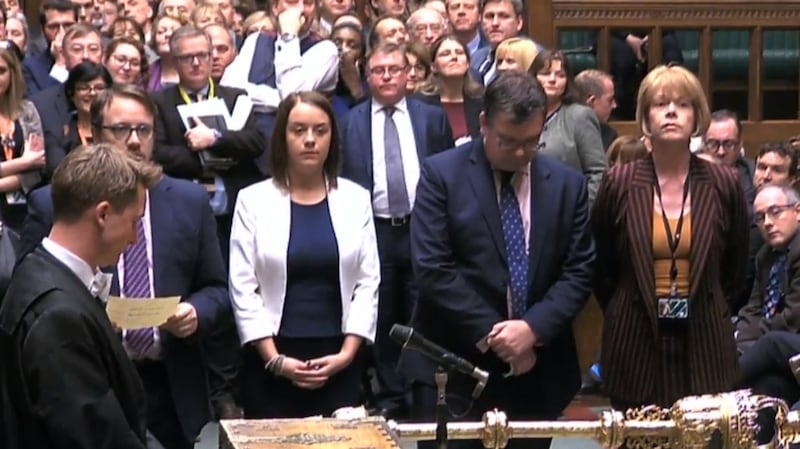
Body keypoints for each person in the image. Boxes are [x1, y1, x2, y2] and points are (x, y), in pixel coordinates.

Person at [21, 84, 229, 448]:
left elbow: (217, 288)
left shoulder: (190, 200)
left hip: (170, 385)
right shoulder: (56, 203)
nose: (134, 141)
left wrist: (196, 312)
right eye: (121, 129)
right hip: (89, 375)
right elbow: (32, 292)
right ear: (95, 133)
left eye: (143, 130)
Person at [407, 71, 595, 449]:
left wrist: (531, 330)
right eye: (508, 141)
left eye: (531, 142)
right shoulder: (441, 175)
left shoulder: (566, 185)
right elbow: (433, 268)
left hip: (536, 372)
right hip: (456, 368)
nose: (521, 153)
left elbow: (578, 270)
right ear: (484, 123)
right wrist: (499, 335)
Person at [592, 64, 749, 411]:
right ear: (646, 117)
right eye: (661, 104)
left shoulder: (724, 183)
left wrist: (707, 301)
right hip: (634, 340)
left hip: (705, 341)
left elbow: (736, 272)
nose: (672, 112)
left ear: (697, 117)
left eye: (683, 104)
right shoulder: (619, 182)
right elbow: (602, 268)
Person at [0, 143, 161, 449]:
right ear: (103, 214)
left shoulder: (36, 272)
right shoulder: (58, 317)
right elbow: (99, 440)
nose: (133, 238)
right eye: (133, 221)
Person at [229, 91, 380, 418]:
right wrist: (274, 359)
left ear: (332, 138)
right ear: (282, 137)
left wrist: (346, 355)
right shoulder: (252, 201)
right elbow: (242, 287)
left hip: (339, 357)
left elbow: (368, 284)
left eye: (320, 130)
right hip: (271, 358)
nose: (310, 139)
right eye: (298, 130)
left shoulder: (355, 199)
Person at [530, 50, 607, 205]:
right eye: (545, 74)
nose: (552, 80)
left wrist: (582, 211)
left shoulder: (580, 116)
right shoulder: (524, 114)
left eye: (560, 75)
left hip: (568, 207)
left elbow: (598, 173)